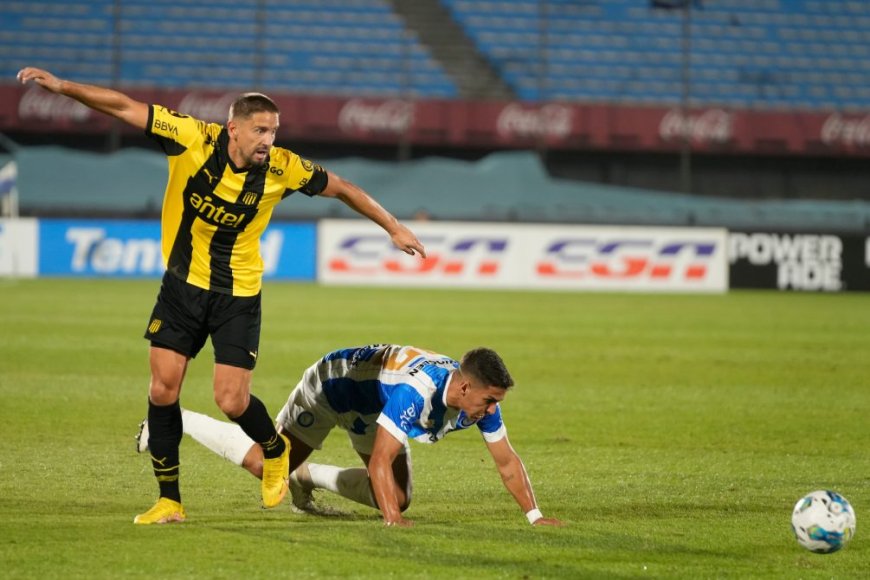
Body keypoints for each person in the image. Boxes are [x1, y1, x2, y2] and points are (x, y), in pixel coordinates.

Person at [16, 67, 426, 525]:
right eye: (260, 130)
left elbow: (343, 188)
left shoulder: (282, 167)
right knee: (162, 390)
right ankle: (169, 500)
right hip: (181, 288)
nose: (268, 139)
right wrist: (63, 87)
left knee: (230, 400)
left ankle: (275, 451)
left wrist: (394, 226)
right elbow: (123, 106)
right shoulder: (192, 137)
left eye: (273, 130)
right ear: (233, 128)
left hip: (238, 294)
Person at [137, 344, 563, 528]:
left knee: (397, 493)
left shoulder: (478, 401)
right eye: (489, 400)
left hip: (372, 401)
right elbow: (379, 459)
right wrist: (393, 522)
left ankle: (306, 478)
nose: (492, 410)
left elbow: (506, 460)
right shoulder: (418, 390)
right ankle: (171, 420)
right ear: (466, 387)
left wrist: (534, 515)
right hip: (332, 386)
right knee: (267, 466)